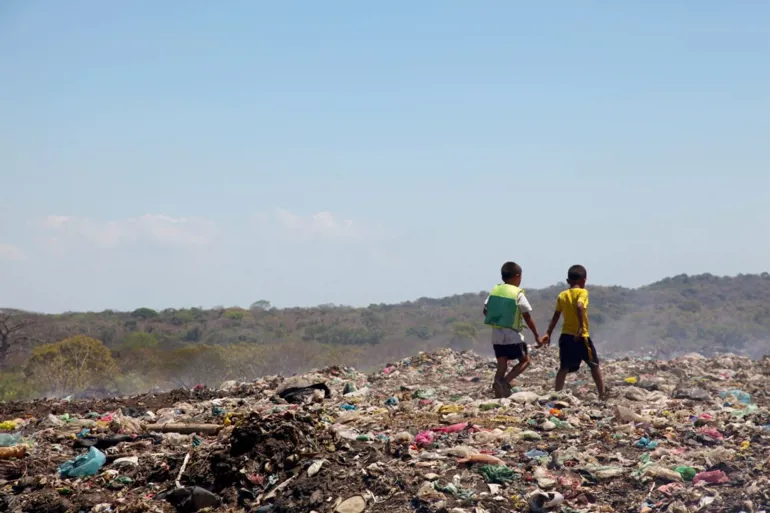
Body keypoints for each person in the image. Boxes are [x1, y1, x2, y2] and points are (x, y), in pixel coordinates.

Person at [541, 264, 607, 399]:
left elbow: (556, 315)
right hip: (581, 336)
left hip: (566, 336)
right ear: (584, 280)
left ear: (568, 281)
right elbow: (579, 306)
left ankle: (557, 394)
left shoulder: (562, 295)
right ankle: (602, 394)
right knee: (594, 365)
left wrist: (548, 332)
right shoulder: (583, 292)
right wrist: (582, 327)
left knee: (564, 367)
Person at [483, 261, 544, 398]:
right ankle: (504, 382)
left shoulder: (495, 290)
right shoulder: (517, 293)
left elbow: (485, 310)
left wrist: (498, 319)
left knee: (501, 365)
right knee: (525, 360)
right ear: (517, 276)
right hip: (512, 334)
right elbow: (527, 316)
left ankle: (498, 391)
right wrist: (536, 335)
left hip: (496, 334)